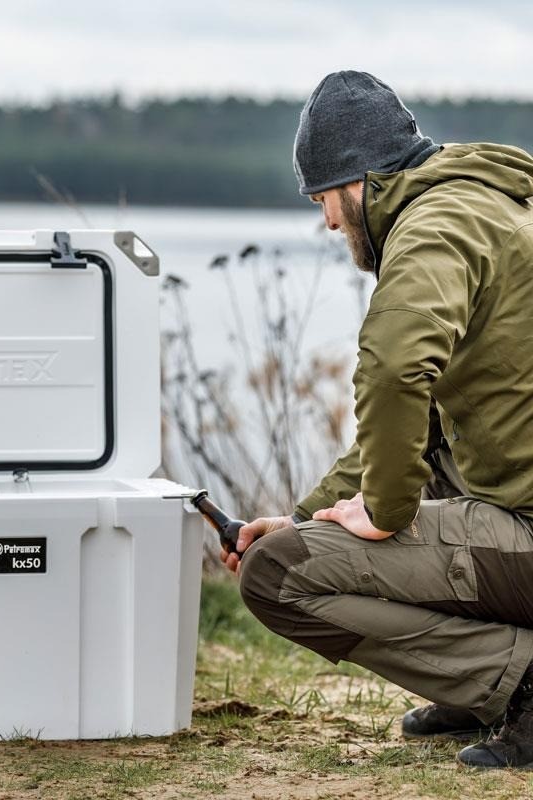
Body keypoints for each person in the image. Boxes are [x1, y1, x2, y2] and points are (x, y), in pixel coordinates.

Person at [224, 70, 533, 769]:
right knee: (431, 468)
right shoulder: (496, 205)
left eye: (323, 199)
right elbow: (415, 433)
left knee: (277, 576)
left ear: (356, 183)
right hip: (518, 514)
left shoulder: (435, 225)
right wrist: (307, 516)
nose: (327, 222)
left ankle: (511, 679)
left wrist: (387, 511)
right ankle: (483, 683)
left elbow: (396, 370)